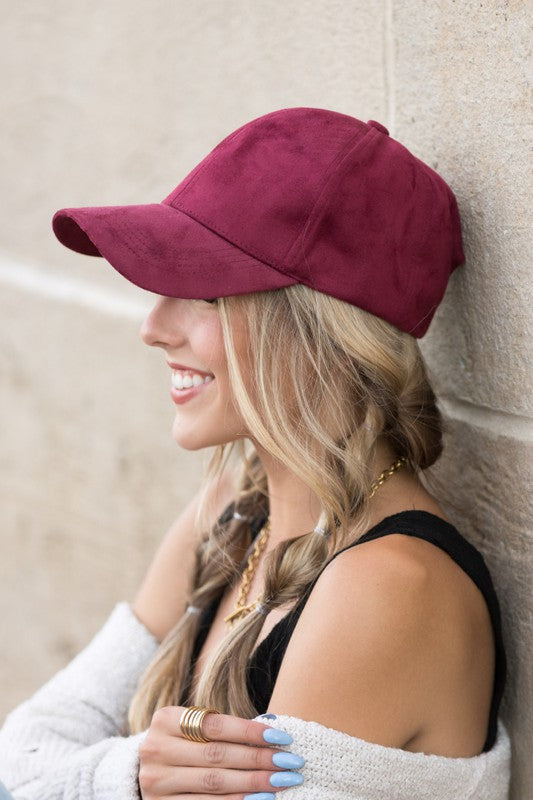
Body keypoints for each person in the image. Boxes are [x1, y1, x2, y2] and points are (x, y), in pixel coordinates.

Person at [0, 108, 511, 800]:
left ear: (319, 328)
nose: (154, 327)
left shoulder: (389, 587)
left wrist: (111, 778)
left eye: (205, 294)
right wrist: (128, 776)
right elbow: (25, 749)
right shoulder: (234, 511)